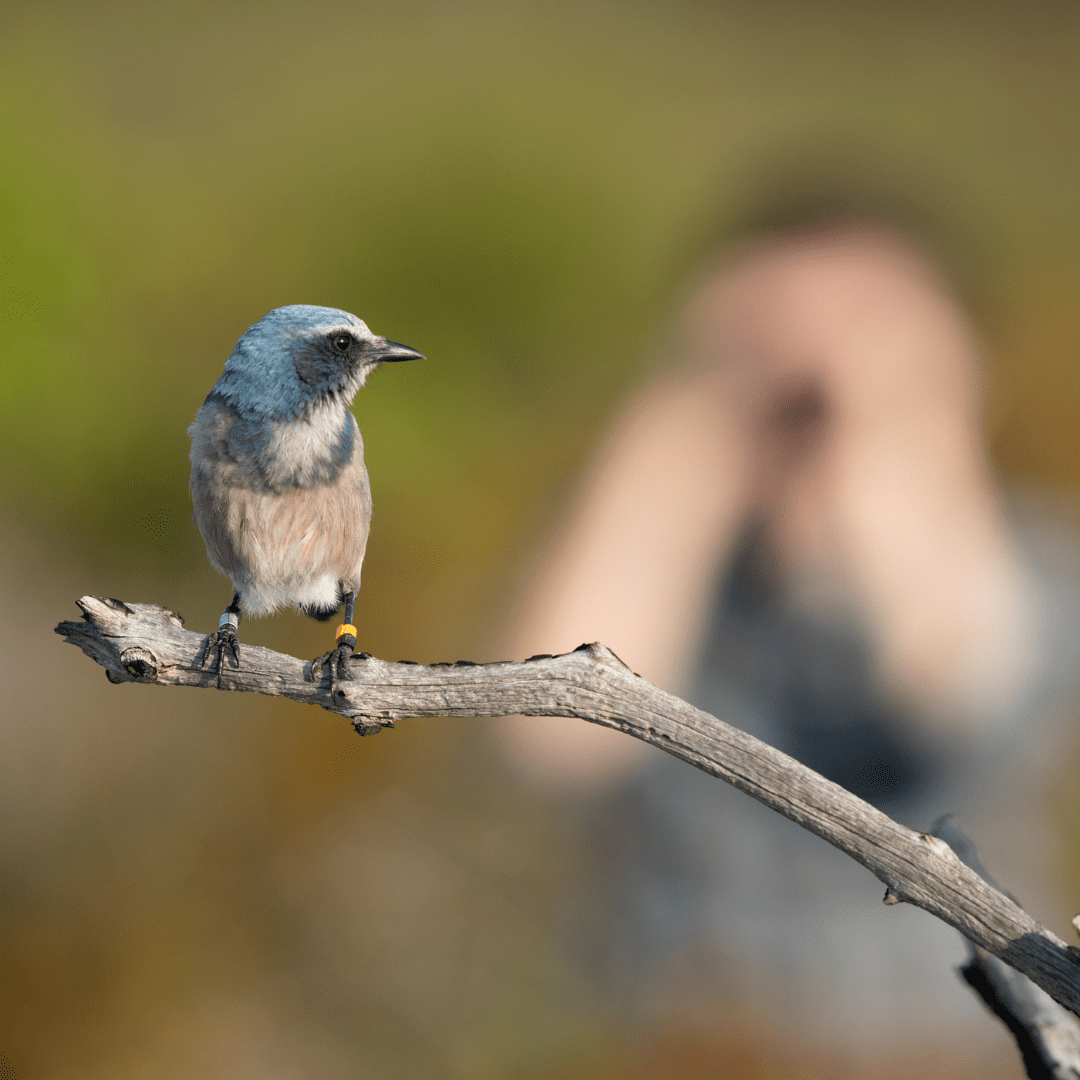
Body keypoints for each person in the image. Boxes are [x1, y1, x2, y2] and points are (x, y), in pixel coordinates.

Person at [494, 205, 1080, 1054]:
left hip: (944, 1043)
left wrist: (894, 439)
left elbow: (956, 711)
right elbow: (547, 744)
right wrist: (691, 421)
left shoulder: (1036, 559)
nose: (815, 375)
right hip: (682, 1037)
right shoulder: (665, 560)